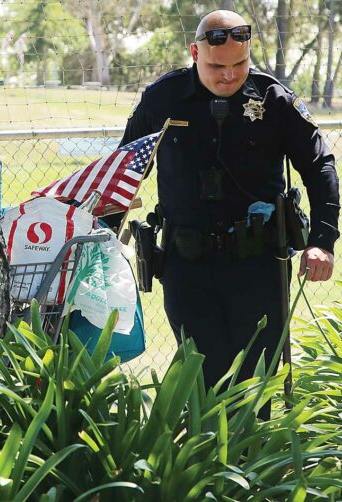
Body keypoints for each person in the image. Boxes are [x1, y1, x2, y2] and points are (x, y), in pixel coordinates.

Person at [120, 10, 340, 398]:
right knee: (202, 373)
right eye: (217, 66)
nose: (229, 75)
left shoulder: (274, 100)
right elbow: (126, 164)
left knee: (257, 377)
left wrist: (322, 239)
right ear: (194, 53)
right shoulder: (164, 99)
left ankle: (255, 457)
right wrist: (101, 226)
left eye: (240, 63)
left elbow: (319, 164)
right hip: (187, 264)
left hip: (258, 266)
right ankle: (203, 458)